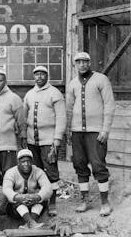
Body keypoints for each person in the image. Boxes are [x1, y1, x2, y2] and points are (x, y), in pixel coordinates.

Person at [66, 52, 116, 216]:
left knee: (98, 165)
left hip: (96, 132)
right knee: (80, 165)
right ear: (75, 64)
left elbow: (109, 105)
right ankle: (84, 201)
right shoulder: (72, 83)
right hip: (77, 132)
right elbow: (68, 108)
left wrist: (105, 130)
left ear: (90, 63)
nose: (82, 65)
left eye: (85, 62)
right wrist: (68, 130)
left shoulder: (101, 79)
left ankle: (105, 202)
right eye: (79, 62)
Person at [23, 66, 66, 216]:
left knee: (51, 171)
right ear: (33, 77)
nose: (39, 77)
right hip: (32, 140)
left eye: (42, 74)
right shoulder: (29, 94)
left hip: (49, 141)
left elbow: (61, 117)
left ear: (47, 76)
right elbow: (24, 116)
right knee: (37, 171)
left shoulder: (55, 93)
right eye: (36, 74)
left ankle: (53, 203)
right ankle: (41, 201)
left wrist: (57, 139)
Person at [3, 149, 52, 229]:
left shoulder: (38, 171)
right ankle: (31, 222)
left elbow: (48, 188)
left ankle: (30, 223)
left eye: (28, 161)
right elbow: (6, 189)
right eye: (23, 162)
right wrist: (18, 197)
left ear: (32, 161)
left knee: (43, 199)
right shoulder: (11, 172)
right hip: (16, 209)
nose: (26, 164)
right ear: (18, 162)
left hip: (33, 205)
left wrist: (37, 197)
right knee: (15, 201)